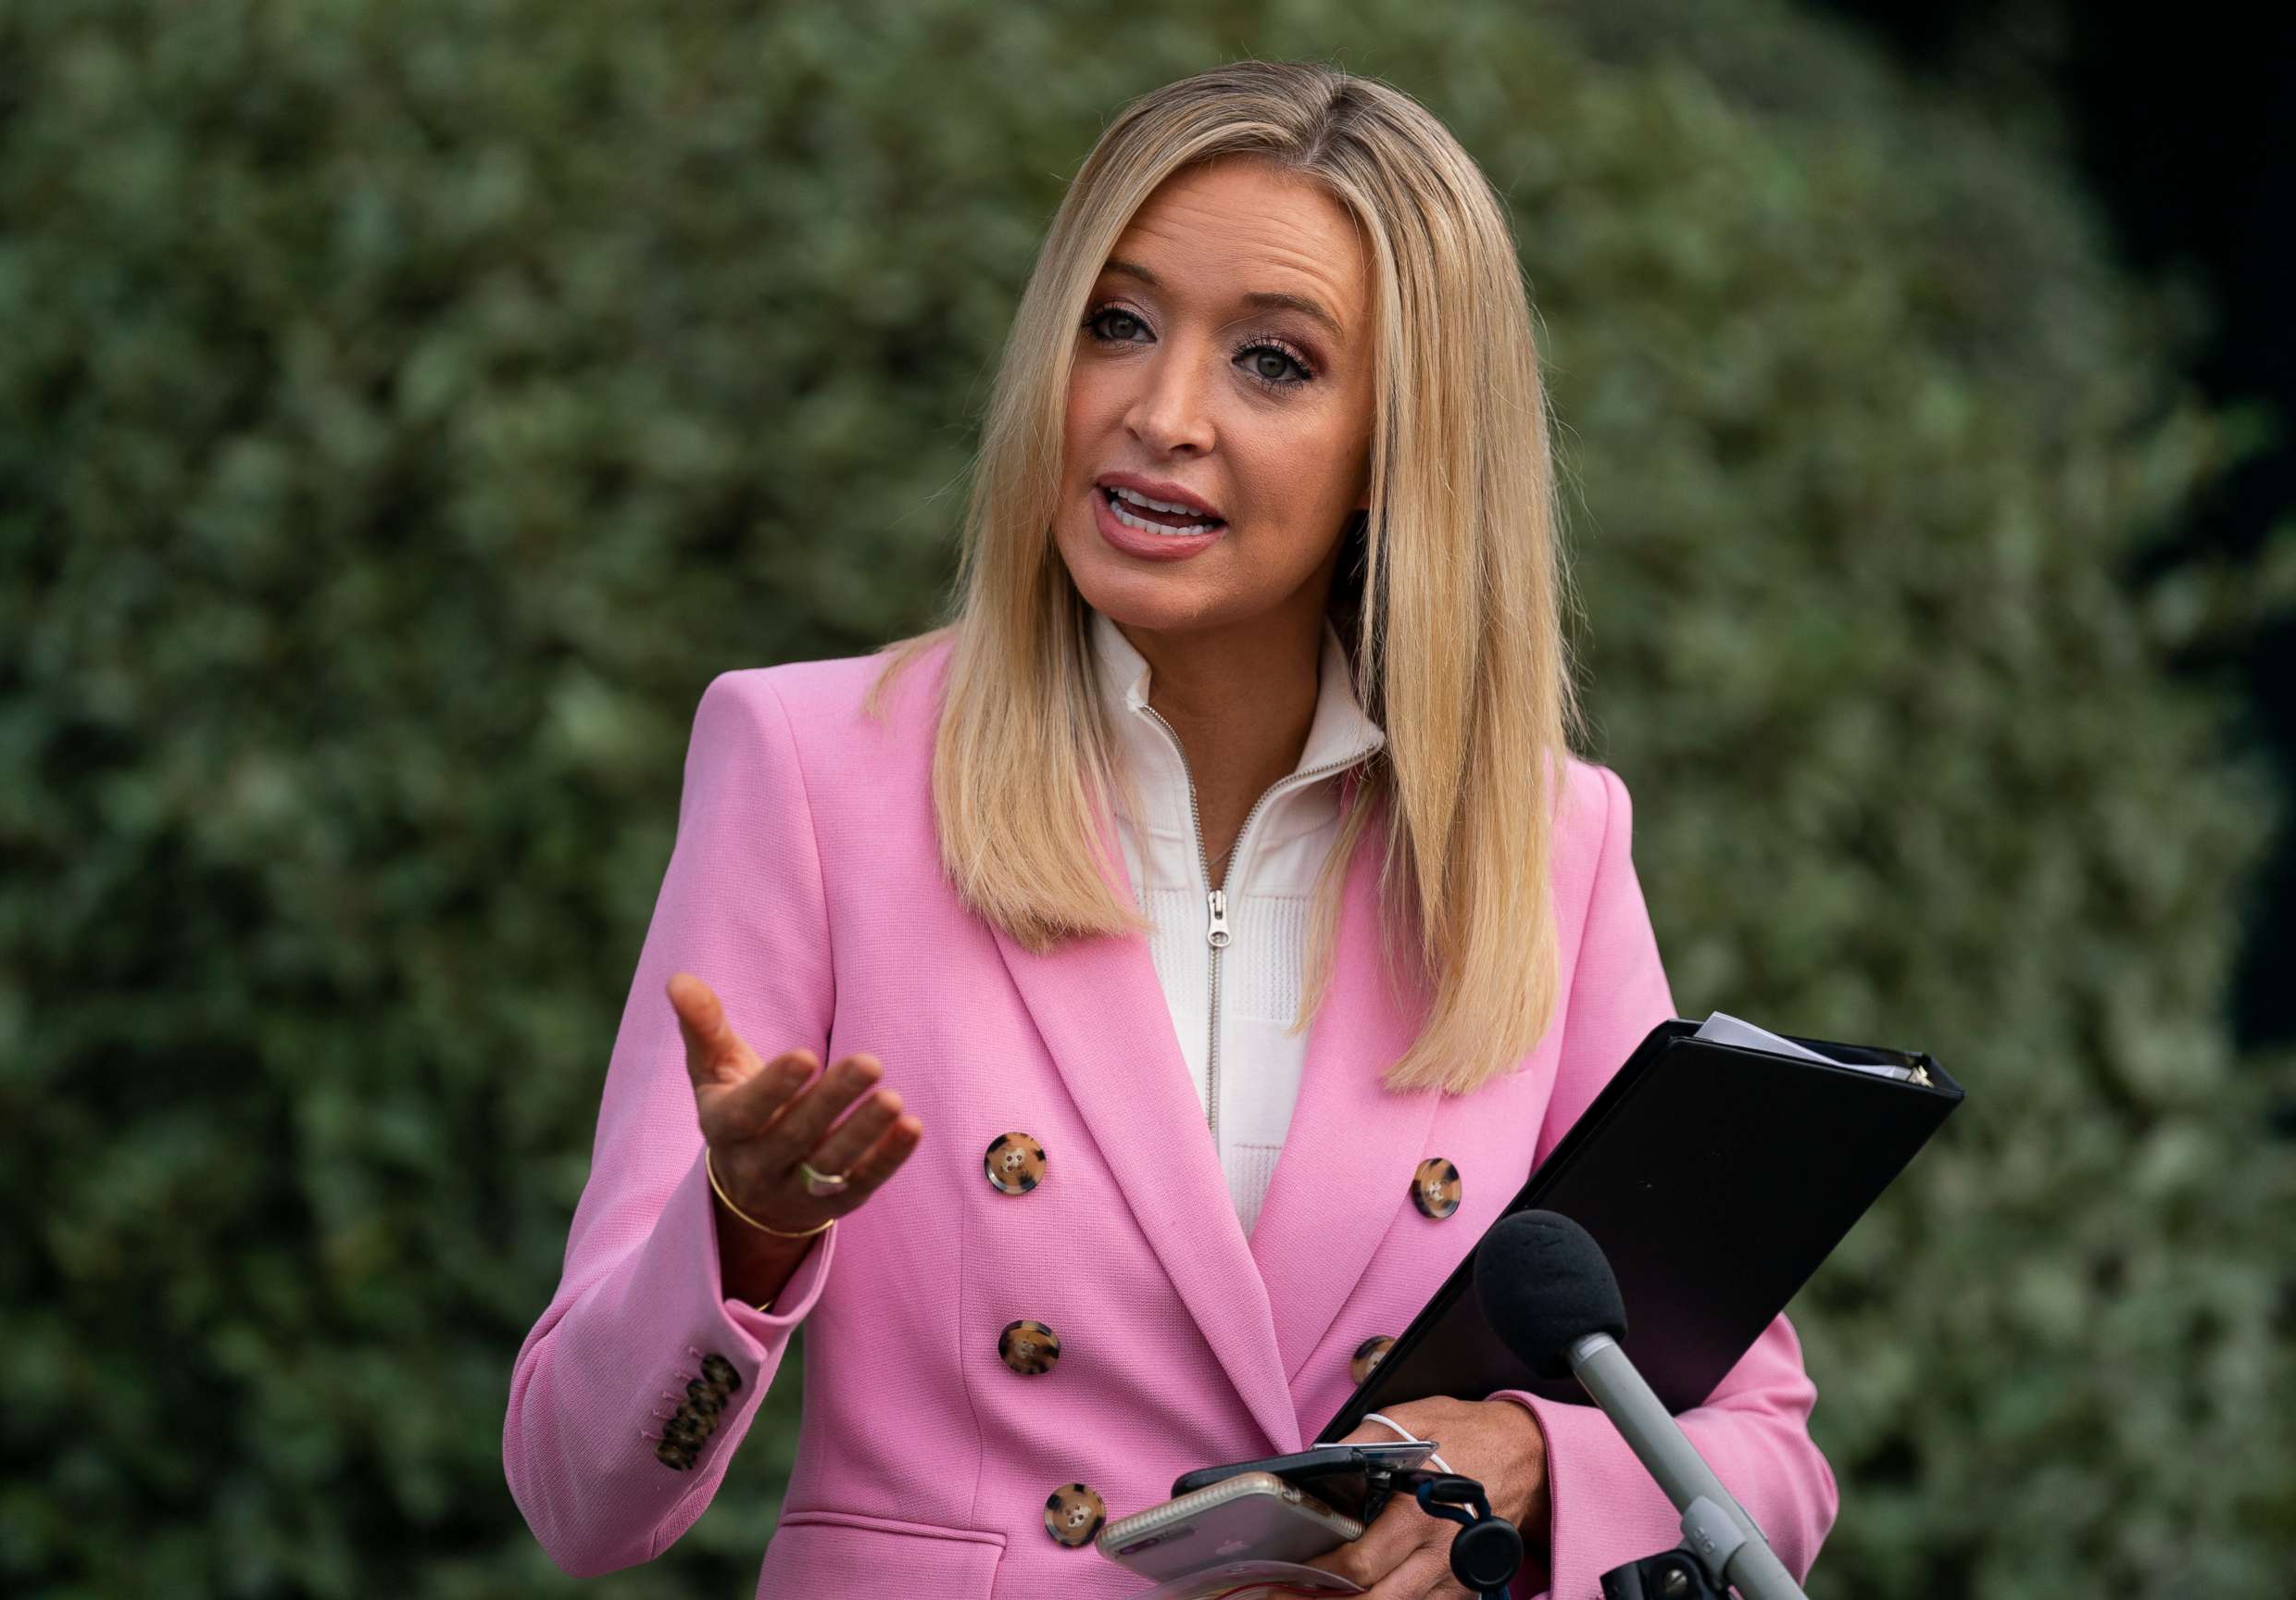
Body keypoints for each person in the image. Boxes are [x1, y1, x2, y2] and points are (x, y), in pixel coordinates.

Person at [502, 58, 1838, 1599]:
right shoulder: (810, 766)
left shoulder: (1550, 842)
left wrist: (1528, 1459)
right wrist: (735, 1237)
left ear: (1399, 451)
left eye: (1274, 362)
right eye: (1116, 324)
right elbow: (574, 1493)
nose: (1160, 413)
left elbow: (1762, 1450)